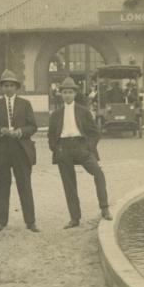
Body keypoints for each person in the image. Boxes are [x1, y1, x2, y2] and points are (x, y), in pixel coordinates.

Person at [48, 76, 112, 228]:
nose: (67, 95)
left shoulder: (83, 112)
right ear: (61, 94)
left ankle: (104, 208)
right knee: (69, 183)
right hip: (64, 148)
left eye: (70, 92)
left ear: (75, 93)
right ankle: (75, 218)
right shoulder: (56, 114)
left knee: (98, 172)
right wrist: (57, 148)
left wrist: (88, 147)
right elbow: (51, 136)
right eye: (64, 92)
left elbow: (95, 132)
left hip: (81, 147)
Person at [0, 69, 39, 233]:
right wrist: (1, 130)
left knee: (25, 185)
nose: (8, 88)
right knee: (1, 186)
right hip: (2, 150)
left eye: (11, 85)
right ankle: (1, 221)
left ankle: (30, 222)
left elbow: (33, 127)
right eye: (5, 85)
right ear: (1, 88)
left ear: (17, 87)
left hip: (21, 149)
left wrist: (21, 132)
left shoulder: (25, 104)